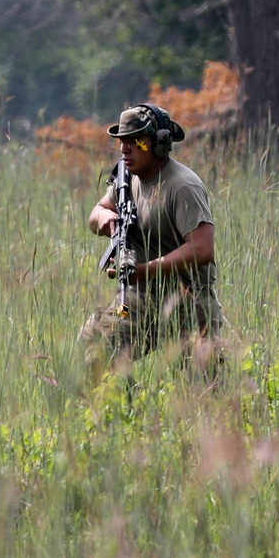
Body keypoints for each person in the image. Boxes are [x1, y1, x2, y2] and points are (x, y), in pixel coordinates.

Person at [78, 103, 222, 379]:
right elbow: (96, 213)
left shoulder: (182, 186)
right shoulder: (128, 179)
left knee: (204, 393)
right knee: (93, 349)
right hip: (139, 298)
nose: (125, 149)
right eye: (122, 142)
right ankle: (129, 414)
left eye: (135, 142)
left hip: (187, 305)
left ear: (159, 144)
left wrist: (143, 271)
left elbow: (202, 249)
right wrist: (107, 221)